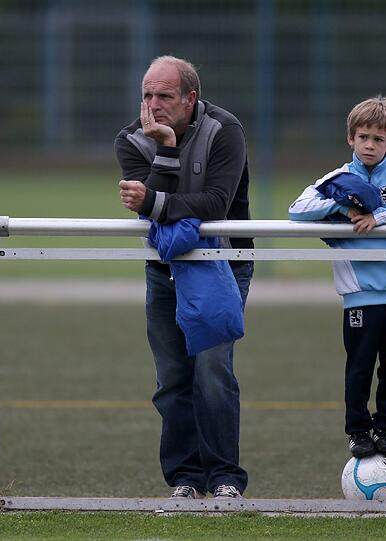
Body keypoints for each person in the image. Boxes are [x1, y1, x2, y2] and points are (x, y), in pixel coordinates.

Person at [114, 56, 253, 499]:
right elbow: (150, 214)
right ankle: (186, 479)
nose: (153, 105)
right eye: (147, 95)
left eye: (165, 96)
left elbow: (214, 203)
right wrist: (167, 149)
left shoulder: (225, 130)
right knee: (172, 375)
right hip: (165, 268)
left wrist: (155, 199)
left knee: (211, 369)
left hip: (222, 263)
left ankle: (226, 478)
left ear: (191, 98)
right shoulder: (130, 139)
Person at [288, 95, 386, 459]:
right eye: (363, 137)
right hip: (360, 294)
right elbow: (298, 209)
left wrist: (381, 215)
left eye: (378, 139)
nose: (370, 145)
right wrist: (342, 204)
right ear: (351, 139)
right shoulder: (338, 179)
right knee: (358, 368)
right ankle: (358, 431)